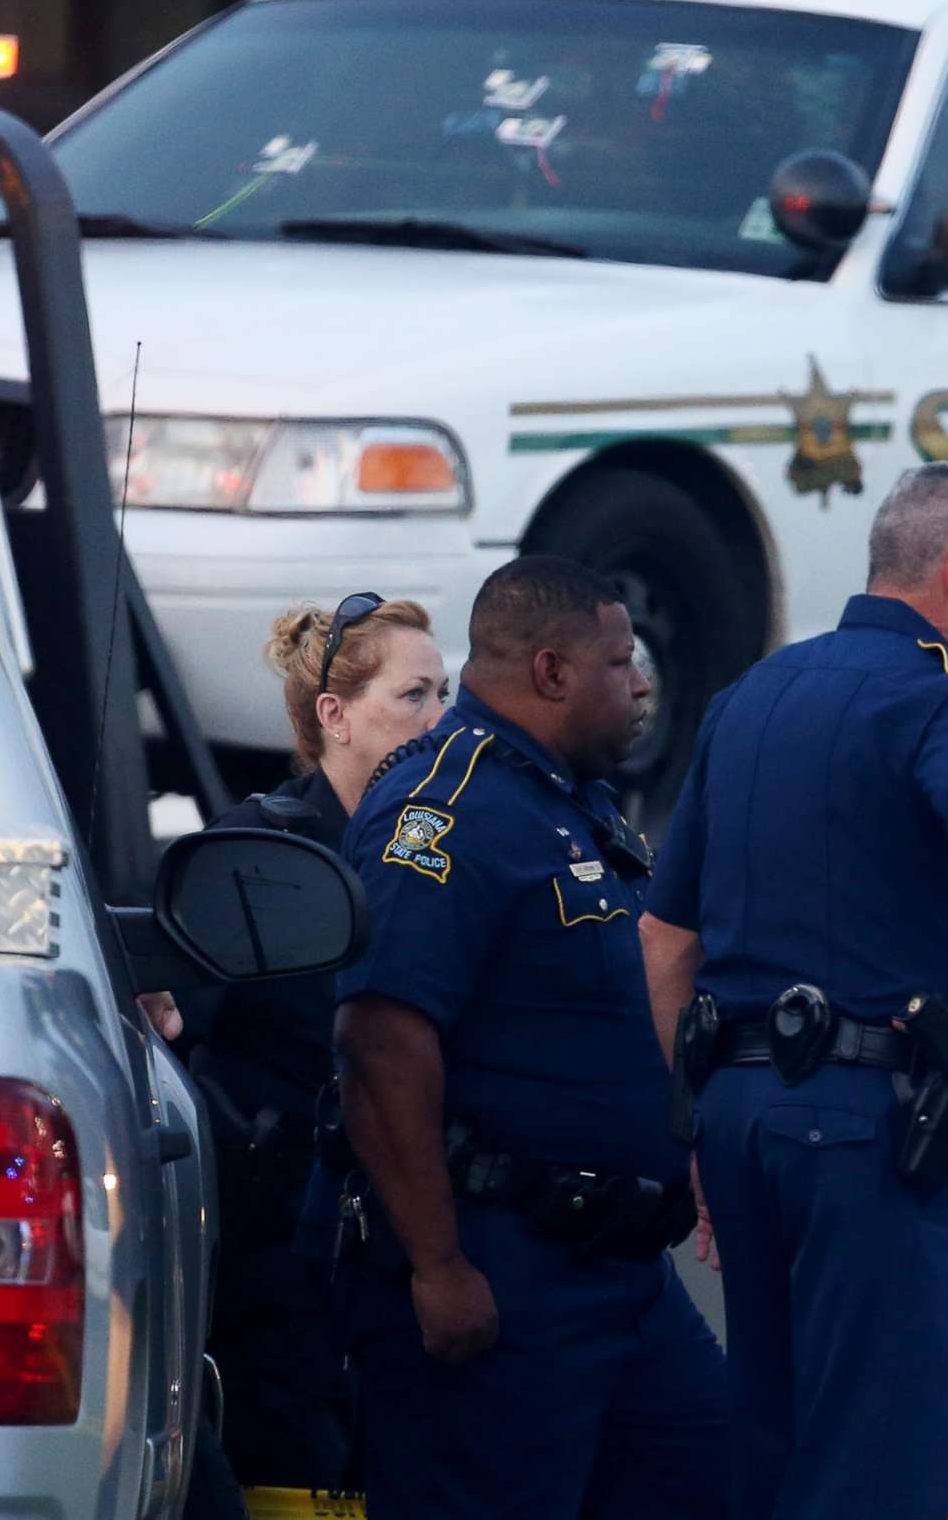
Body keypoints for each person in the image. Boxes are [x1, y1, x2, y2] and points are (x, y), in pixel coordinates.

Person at [641, 461, 948, 1520]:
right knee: (876, 1458)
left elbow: (662, 934)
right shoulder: (942, 691)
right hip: (867, 1128)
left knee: (774, 1445)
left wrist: (698, 1119)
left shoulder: (751, 693)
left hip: (739, 1116)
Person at [326, 556, 724, 1519]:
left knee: (713, 1472)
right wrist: (438, 1264)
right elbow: (379, 1038)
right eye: (621, 662)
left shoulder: (566, 798)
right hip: (505, 1269)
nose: (641, 687)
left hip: (622, 1274)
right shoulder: (447, 805)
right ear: (550, 672)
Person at [148, 594, 445, 1493]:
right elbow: (167, 1022)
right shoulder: (253, 855)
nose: (442, 719)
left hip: (414, 1238)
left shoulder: (445, 847)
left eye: (448, 693)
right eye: (416, 694)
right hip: (284, 1256)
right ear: (334, 715)